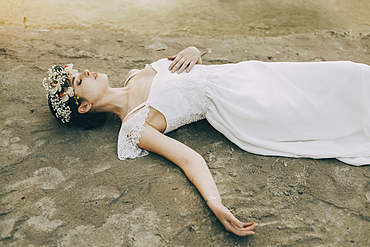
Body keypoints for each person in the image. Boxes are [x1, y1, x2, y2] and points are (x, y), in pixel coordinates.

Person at [43, 46, 370, 236]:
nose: (85, 72)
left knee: (348, 72)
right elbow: (189, 159)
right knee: (320, 111)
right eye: (77, 80)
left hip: (240, 74)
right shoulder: (135, 127)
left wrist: (193, 51)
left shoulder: (134, 74)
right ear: (83, 106)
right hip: (242, 107)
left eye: (79, 71)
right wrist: (214, 202)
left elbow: (187, 61)